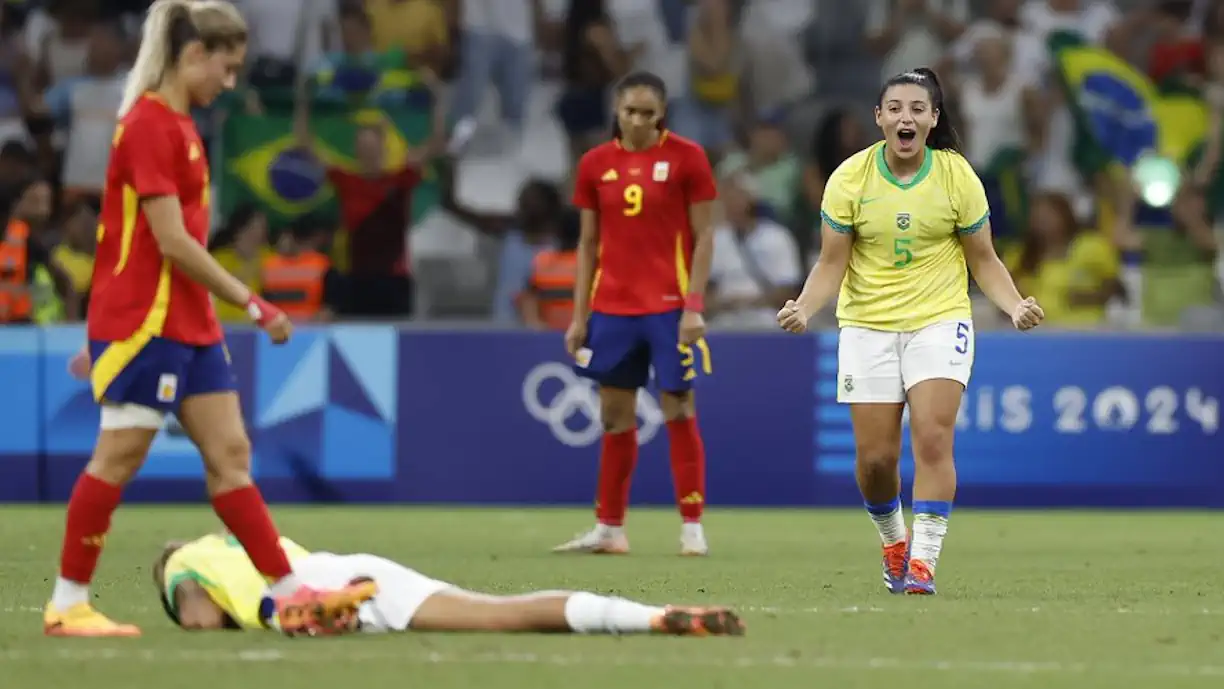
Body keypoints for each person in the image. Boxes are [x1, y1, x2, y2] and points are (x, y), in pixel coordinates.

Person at [46, 0, 375, 638]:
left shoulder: (182, 127)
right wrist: (252, 301)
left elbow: (138, 239)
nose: (229, 83)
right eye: (226, 69)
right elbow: (169, 242)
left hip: (189, 325)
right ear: (193, 54)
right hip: (149, 324)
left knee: (231, 455)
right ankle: (67, 603)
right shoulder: (148, 126)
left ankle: (287, 596)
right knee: (118, 455)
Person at [776, 68, 1044, 596]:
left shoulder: (956, 176)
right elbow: (832, 263)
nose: (906, 117)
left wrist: (1014, 306)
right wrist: (804, 307)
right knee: (876, 461)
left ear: (933, 119)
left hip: (940, 319)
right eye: (895, 107)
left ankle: (922, 563)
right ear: (879, 118)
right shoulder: (849, 179)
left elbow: (983, 259)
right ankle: (893, 538)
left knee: (932, 436)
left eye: (918, 109)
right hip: (867, 325)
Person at [553, 71, 718, 557]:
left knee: (679, 408)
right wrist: (579, 315)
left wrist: (694, 307)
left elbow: (705, 236)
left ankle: (691, 526)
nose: (640, 120)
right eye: (631, 112)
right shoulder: (594, 164)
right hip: (613, 309)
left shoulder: (688, 158)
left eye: (649, 113)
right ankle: (610, 528)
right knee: (614, 416)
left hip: (669, 308)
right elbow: (587, 244)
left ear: (662, 113)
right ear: (616, 112)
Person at [153, 532, 745, 637]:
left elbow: (203, 614)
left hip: (314, 595)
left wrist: (257, 611)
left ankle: (649, 619)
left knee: (498, 616)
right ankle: (646, 615)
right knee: (500, 611)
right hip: (350, 570)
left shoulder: (189, 563)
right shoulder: (240, 540)